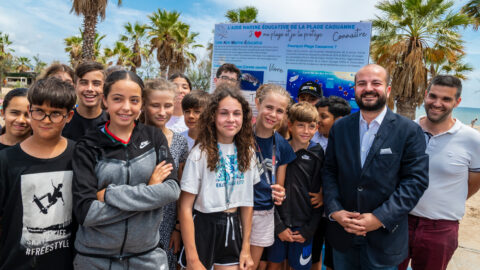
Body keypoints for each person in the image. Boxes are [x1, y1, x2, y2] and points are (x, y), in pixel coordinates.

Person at [322, 64, 429, 270]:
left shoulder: (408, 131)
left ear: (388, 90)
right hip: (343, 236)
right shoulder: (340, 127)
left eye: (376, 83)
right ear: (355, 89)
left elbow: (415, 181)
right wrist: (335, 211)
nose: (368, 88)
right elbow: (329, 172)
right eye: (362, 83)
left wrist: (380, 217)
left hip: (384, 240)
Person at [72, 70, 180, 270]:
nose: (126, 107)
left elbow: (172, 190)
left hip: (147, 257)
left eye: (134, 100)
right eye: (117, 99)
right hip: (94, 259)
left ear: (142, 103)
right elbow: (86, 214)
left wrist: (111, 194)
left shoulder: (155, 137)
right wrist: (150, 192)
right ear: (105, 100)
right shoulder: (87, 145)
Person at [398, 75, 480, 270]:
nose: (437, 103)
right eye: (433, 96)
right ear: (425, 95)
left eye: (446, 99)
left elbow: (474, 182)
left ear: (457, 102)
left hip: (441, 229)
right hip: (399, 222)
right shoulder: (406, 130)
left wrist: (445, 201)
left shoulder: (472, 139)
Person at [0, 77, 77, 269]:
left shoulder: (79, 155)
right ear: (30, 111)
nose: (46, 120)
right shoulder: (6, 160)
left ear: (69, 116)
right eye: (39, 112)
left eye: (56, 114)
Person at [178, 87, 257, 270]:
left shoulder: (248, 153)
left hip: (233, 227)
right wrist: (192, 258)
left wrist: (246, 248)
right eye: (224, 113)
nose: (231, 119)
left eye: (237, 113)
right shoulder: (199, 153)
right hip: (203, 227)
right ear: (213, 116)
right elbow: (185, 206)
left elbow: (247, 204)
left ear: (244, 117)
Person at [266, 102, 324, 270]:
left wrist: (309, 229)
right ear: (290, 125)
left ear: (316, 128)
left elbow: (319, 197)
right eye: (301, 125)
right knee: (274, 265)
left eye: (311, 126)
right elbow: (270, 190)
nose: (306, 131)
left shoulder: (318, 154)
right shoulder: (278, 150)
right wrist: (279, 226)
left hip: (303, 226)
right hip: (278, 223)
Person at [143, 78, 189, 270]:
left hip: (168, 223)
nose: (162, 112)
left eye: (168, 106)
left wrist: (178, 227)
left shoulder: (179, 142)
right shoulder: (132, 136)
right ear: (144, 104)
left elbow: (182, 188)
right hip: (137, 220)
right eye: (155, 105)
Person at [251, 83, 296, 269]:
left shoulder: (282, 145)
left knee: (250, 266)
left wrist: (280, 193)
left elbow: (279, 186)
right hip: (237, 210)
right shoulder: (240, 136)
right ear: (257, 103)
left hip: (264, 213)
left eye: (279, 111)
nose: (273, 114)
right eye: (269, 107)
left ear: (285, 115)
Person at [311, 96, 351, 270]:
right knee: (312, 256)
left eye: (323, 116)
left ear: (340, 120)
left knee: (334, 260)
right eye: (317, 116)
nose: (318, 121)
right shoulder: (310, 139)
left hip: (339, 213)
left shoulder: (352, 145)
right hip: (312, 212)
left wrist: (326, 196)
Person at [63, 61, 108, 141]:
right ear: (75, 86)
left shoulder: (112, 123)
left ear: (104, 88)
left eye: (96, 84)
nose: (90, 89)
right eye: (84, 83)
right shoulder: (63, 122)